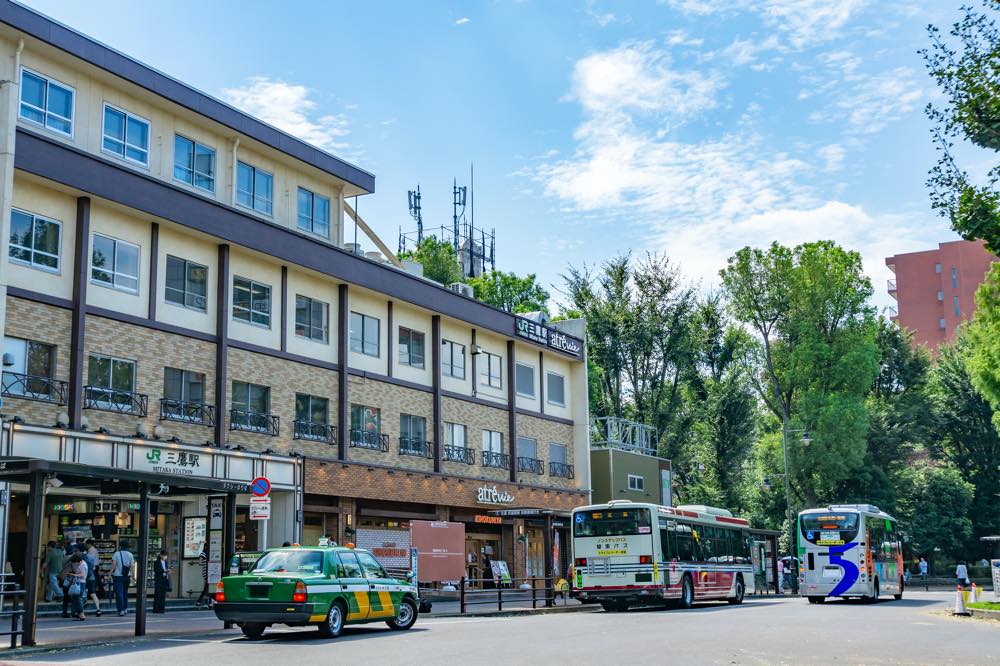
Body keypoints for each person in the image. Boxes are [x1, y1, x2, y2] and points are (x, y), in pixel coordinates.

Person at [111, 542, 135, 617]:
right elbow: (132, 566)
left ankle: (120, 610)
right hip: (127, 576)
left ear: (120, 546)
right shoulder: (130, 554)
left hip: (118, 576)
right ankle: (125, 609)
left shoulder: (116, 554)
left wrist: (109, 573)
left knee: (119, 593)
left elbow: (114, 565)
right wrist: (133, 576)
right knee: (125, 593)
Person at [65, 551, 88, 621]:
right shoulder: (82, 563)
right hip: (80, 582)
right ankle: (78, 613)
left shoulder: (82, 565)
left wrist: (74, 575)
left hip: (80, 583)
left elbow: (83, 575)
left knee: (78, 598)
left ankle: (81, 614)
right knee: (76, 598)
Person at [83, 540, 102, 617]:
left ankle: (83, 606)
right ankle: (98, 609)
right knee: (93, 593)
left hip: (84, 576)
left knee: (82, 591)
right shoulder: (91, 554)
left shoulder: (85, 555)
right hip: (91, 575)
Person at [152, 549, 170, 614]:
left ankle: (161, 609)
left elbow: (166, 570)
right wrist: (164, 570)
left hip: (164, 579)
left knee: (163, 595)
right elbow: (156, 570)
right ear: (161, 555)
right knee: (157, 594)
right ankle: (156, 609)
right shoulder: (156, 562)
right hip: (158, 579)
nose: (165, 557)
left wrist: (168, 570)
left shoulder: (166, 562)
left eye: (166, 555)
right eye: (164, 555)